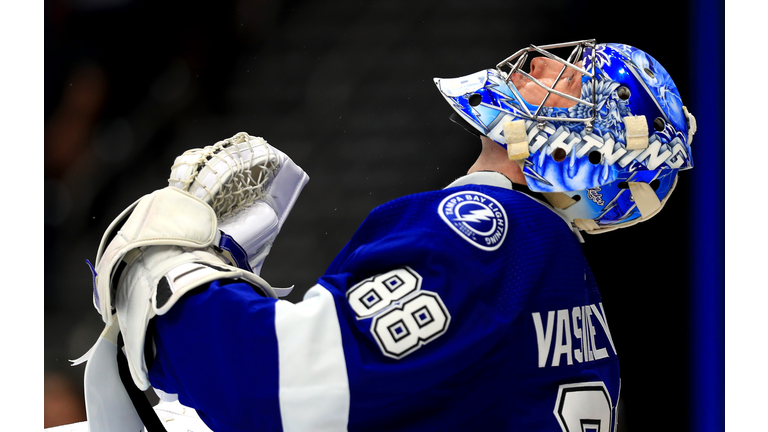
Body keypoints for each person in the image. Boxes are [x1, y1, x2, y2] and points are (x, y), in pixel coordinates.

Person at [78, 40, 695, 432]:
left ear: (593, 148)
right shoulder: (562, 279)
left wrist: (166, 261)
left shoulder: (488, 232)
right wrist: (231, 284)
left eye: (571, 79)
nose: (538, 63)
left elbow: (269, 388)